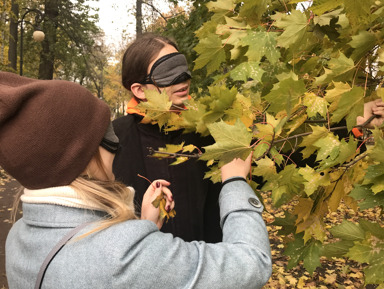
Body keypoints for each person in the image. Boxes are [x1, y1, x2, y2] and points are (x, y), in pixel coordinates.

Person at [1, 71, 272, 289]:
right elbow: (253, 264)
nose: (115, 142)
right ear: (78, 157)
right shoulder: (120, 255)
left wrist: (142, 227)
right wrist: (235, 182)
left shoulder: (19, 236)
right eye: (104, 133)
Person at [113, 33, 223, 242]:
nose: (183, 78)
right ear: (139, 90)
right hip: (144, 266)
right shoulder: (113, 140)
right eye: (167, 71)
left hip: (207, 264)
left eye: (181, 66)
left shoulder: (209, 130)